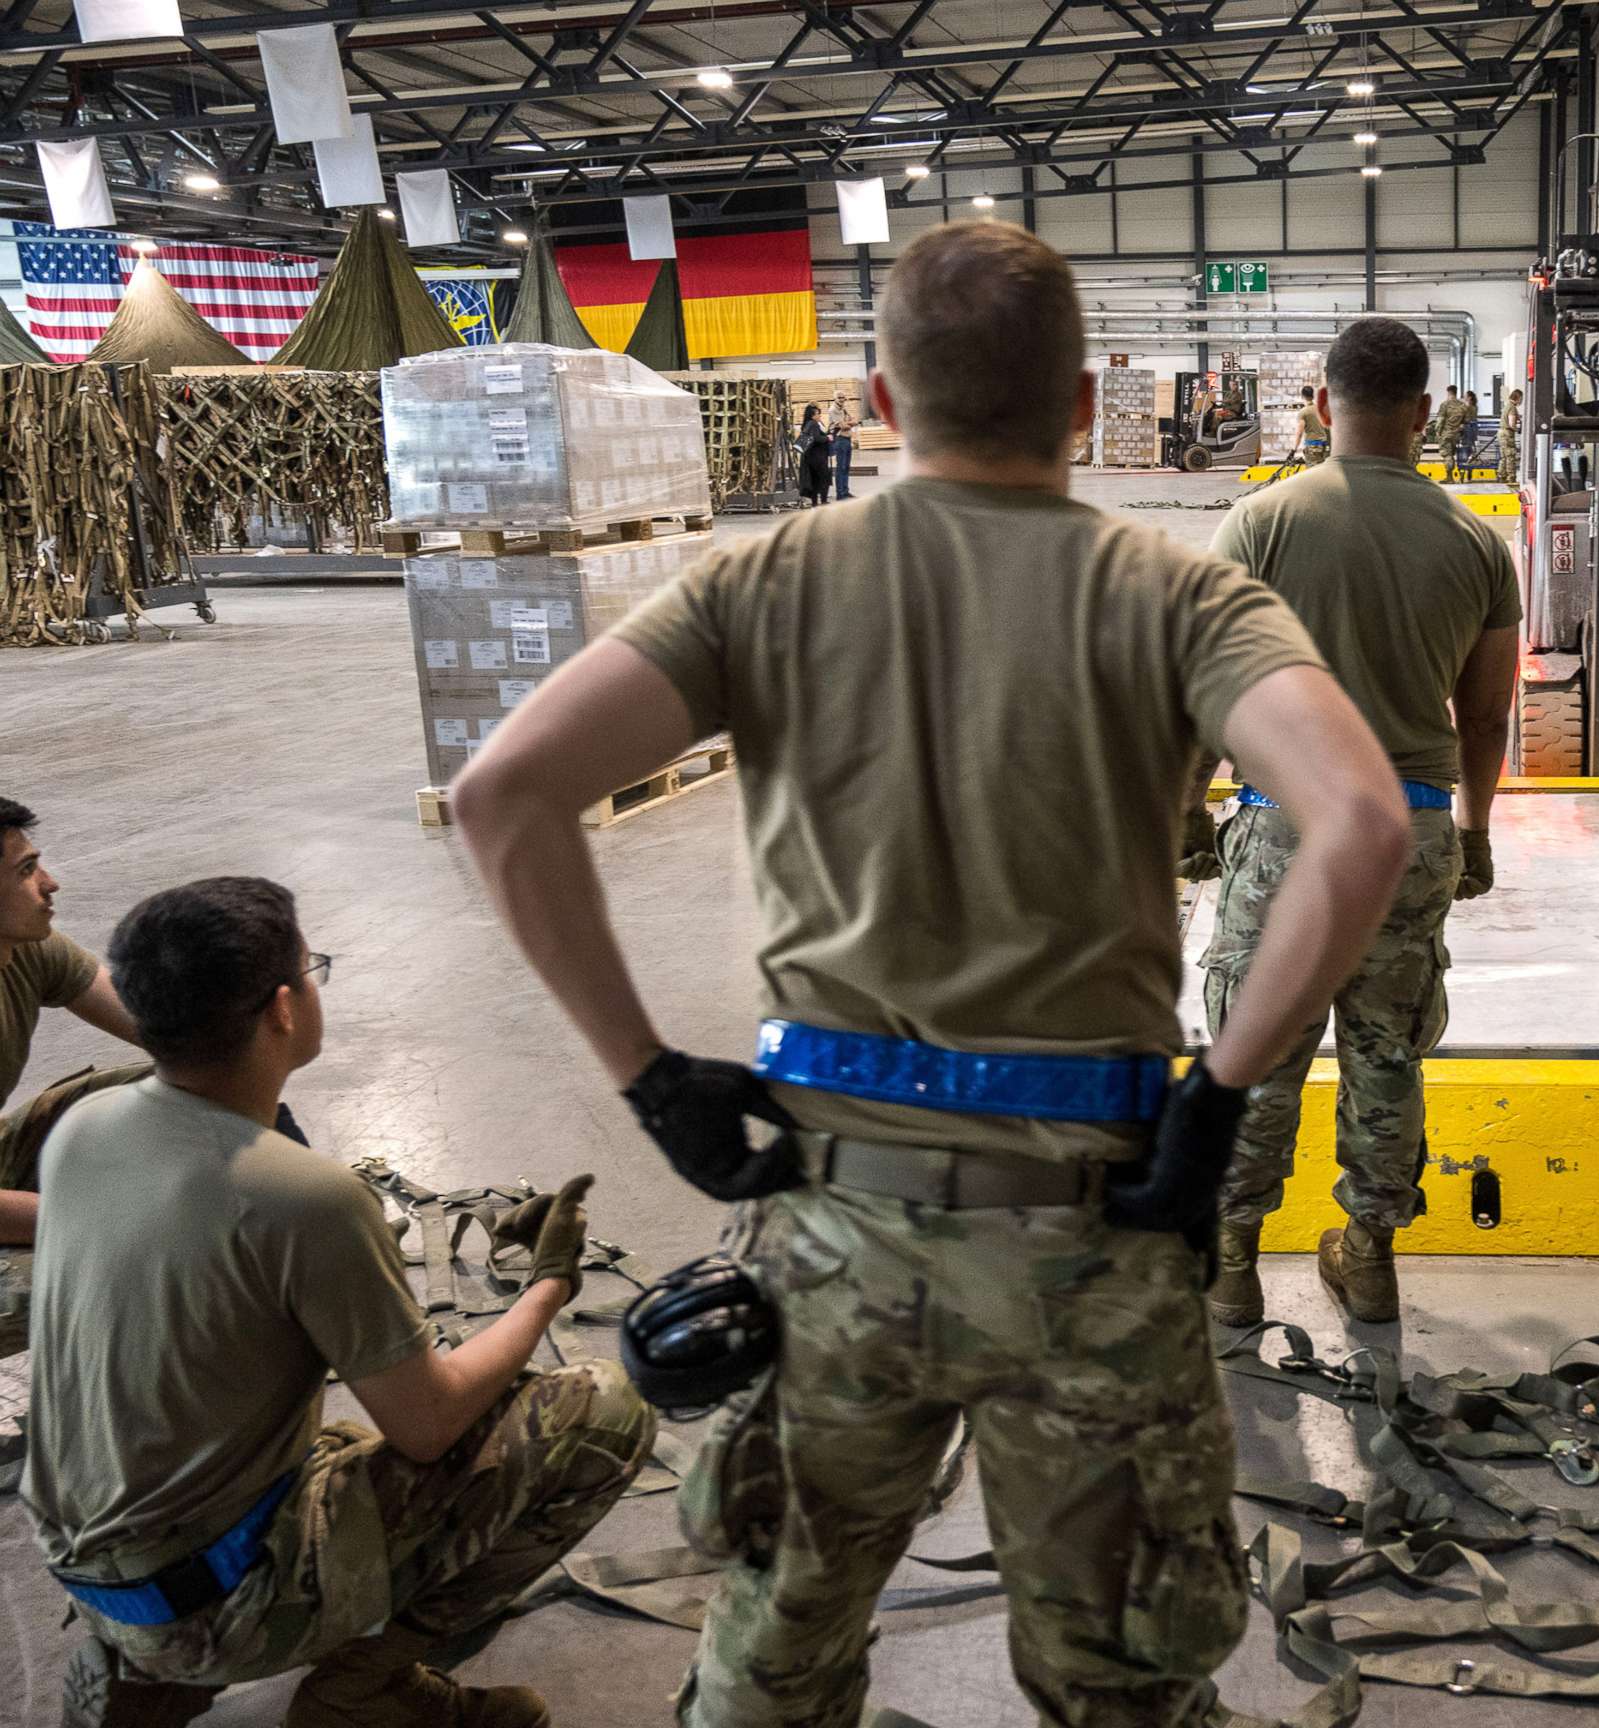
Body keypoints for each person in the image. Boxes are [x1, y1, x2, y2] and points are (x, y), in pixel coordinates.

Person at [449, 221, 1408, 1728]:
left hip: (839, 1235)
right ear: (1086, 403)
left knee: (775, 1654)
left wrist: (650, 1077)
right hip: (1089, 1236)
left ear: (882, 406)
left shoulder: (757, 584)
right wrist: (1221, 1094)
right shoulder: (1180, 596)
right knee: (1124, 1681)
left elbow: (503, 794)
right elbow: (1360, 822)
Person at [25, 876, 652, 1728]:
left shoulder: (82, 1131)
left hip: (93, 1570)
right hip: (208, 1598)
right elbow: (427, 1423)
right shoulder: (305, 1197)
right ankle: (362, 1688)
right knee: (604, 1412)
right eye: (310, 971)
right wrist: (548, 1285)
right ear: (283, 1008)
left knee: (342, 1440)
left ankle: (145, 1676)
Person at [1191, 317, 1521, 1328]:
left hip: (1283, 832)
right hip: (1409, 835)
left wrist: (1175, 820)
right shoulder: (1477, 543)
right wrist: (1471, 833)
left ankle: (1235, 1263)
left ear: (1322, 404)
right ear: (1425, 413)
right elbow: (1490, 715)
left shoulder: (1261, 524)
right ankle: (1370, 1254)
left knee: (1259, 1047)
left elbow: (1201, 693)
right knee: (1387, 1052)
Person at [1, 796, 147, 1358]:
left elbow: (166, 1037)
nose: (50, 883)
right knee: (116, 1261)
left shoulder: (26, 949)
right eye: (26, 872)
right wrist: (103, 1218)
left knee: (184, 1087)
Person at [794, 404, 833, 507]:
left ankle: (815, 502)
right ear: (812, 416)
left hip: (810, 457)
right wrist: (827, 438)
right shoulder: (814, 424)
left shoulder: (807, 424)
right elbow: (816, 438)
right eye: (817, 414)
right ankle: (823, 501)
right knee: (824, 478)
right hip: (817, 457)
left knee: (814, 480)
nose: (819, 415)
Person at [827, 392, 858, 501]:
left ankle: (845, 491)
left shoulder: (844, 409)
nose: (841, 399)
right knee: (841, 467)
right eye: (839, 398)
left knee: (846, 467)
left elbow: (855, 420)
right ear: (835, 399)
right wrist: (849, 423)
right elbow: (842, 426)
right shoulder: (833, 410)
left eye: (843, 398)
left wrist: (848, 423)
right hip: (840, 440)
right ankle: (840, 493)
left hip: (847, 439)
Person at [1296, 383, 1329, 466]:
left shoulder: (1303, 412)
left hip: (1312, 447)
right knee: (1321, 469)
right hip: (1323, 446)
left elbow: (1299, 433)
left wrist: (1294, 448)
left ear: (1302, 396)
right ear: (1313, 395)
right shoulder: (1320, 408)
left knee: (1313, 471)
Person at [1503, 387, 1524, 483]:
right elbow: (1512, 424)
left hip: (1502, 433)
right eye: (1521, 398)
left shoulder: (1508, 405)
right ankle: (1511, 478)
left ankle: (1501, 476)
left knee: (1504, 456)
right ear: (1518, 397)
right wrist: (1518, 429)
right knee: (1511, 456)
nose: (1521, 401)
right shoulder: (1512, 407)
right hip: (1507, 434)